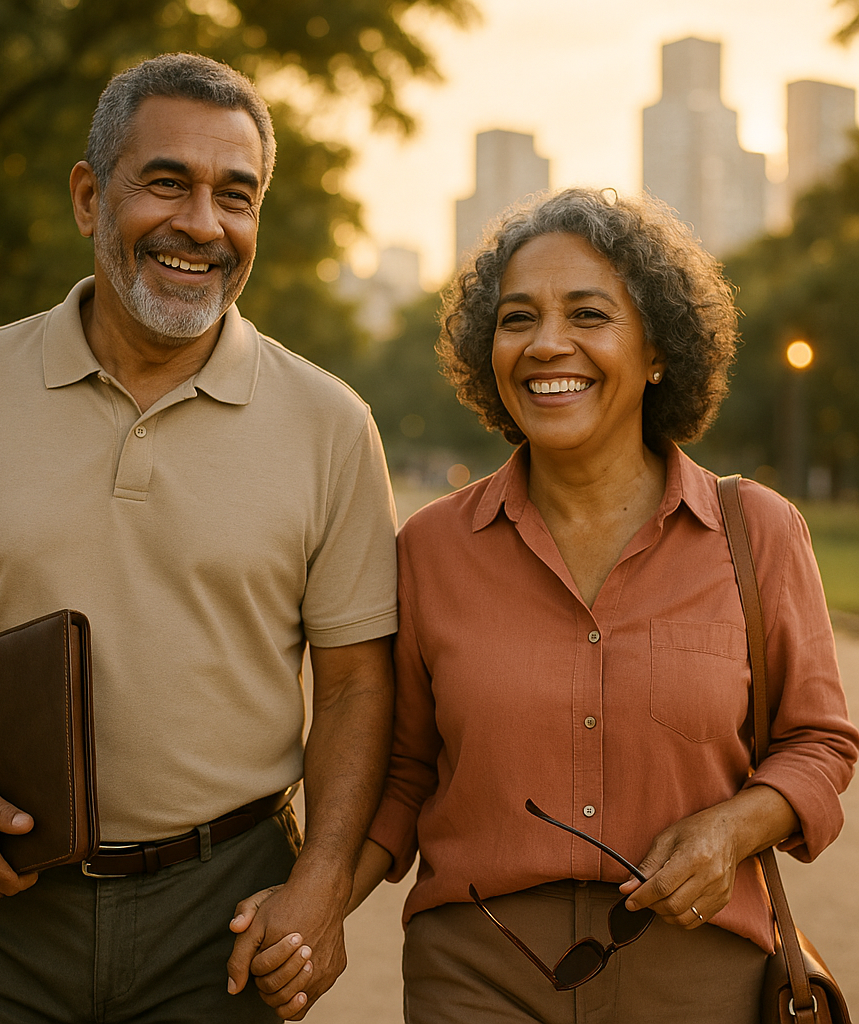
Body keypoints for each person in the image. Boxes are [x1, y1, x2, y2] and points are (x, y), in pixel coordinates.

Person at [0, 53, 398, 1023]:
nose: (203, 224)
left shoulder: (331, 423)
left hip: (221, 911)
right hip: (3, 906)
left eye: (237, 195)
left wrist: (323, 878)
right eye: (167, 182)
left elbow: (354, 682)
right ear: (89, 196)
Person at [237, 188, 858, 1023]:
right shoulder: (430, 549)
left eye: (590, 315)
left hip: (702, 969)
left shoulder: (757, 533)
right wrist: (314, 908)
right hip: (478, 973)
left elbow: (817, 744)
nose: (547, 344)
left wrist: (734, 829)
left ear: (658, 352)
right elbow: (408, 771)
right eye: (517, 318)